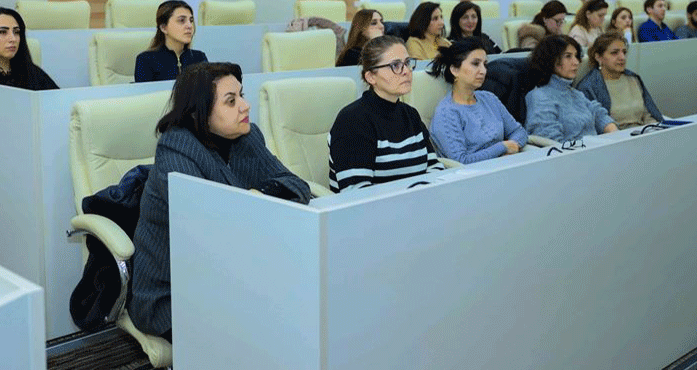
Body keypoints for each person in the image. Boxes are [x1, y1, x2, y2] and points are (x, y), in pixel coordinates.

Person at [129, 62, 310, 341]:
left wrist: (258, 197)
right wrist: (258, 203)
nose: (245, 106)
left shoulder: (245, 136)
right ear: (199, 112)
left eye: (242, 95)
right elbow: (211, 229)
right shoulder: (176, 149)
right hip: (173, 294)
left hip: (234, 277)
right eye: (231, 101)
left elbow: (297, 186)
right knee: (269, 327)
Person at [329, 35, 444, 192]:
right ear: (371, 77)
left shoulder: (410, 114)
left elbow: (433, 167)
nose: (406, 72)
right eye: (395, 65)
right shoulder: (352, 120)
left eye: (407, 63)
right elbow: (356, 192)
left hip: (415, 206)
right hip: (372, 213)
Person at [429, 38, 527, 163]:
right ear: (454, 70)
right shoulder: (447, 113)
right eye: (475, 64)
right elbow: (461, 160)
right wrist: (502, 147)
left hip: (505, 166)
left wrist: (511, 148)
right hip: (473, 178)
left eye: (484, 64)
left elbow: (518, 131)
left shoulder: (489, 98)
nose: (483, 71)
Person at [524, 35, 618, 142]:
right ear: (550, 59)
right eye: (568, 56)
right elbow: (551, 143)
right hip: (572, 155)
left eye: (576, 56)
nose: (576, 62)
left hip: (593, 151)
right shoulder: (539, 96)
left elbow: (598, 113)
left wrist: (613, 133)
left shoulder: (575, 93)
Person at [576, 32, 662, 130]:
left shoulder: (633, 78)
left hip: (643, 134)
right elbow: (594, 127)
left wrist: (654, 130)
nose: (622, 57)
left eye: (624, 52)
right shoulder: (588, 87)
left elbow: (648, 114)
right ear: (598, 57)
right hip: (615, 139)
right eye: (614, 53)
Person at [134, 0, 207, 82]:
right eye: (182, 20)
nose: (189, 26)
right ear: (164, 28)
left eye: (191, 20)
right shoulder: (146, 60)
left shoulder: (199, 57)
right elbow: (146, 94)